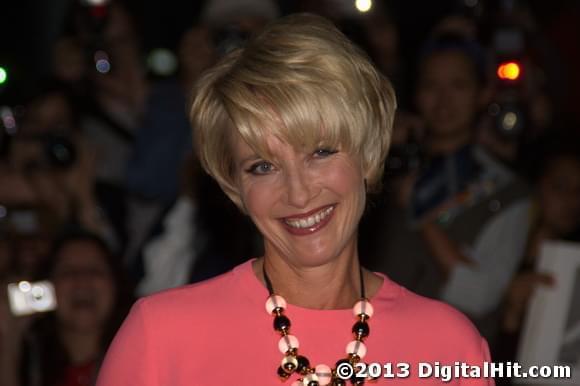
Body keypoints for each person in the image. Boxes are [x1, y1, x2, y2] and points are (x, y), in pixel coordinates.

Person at [96, 14, 494, 386]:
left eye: (320, 152)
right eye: (262, 167)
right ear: (235, 186)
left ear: (367, 154)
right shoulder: (161, 335)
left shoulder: (449, 347)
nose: (299, 193)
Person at [0, 230, 133, 386]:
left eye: (95, 271)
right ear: (46, 288)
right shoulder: (30, 363)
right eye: (68, 272)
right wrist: (9, 341)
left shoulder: (146, 357)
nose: (82, 281)